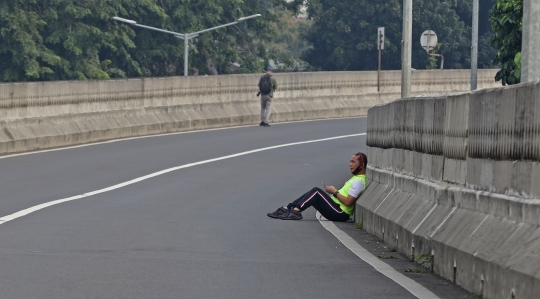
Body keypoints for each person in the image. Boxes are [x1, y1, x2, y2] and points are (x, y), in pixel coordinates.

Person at [267, 152, 367, 221]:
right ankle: (288, 208)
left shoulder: (359, 181)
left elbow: (348, 202)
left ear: (362, 165)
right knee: (313, 193)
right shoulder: (355, 178)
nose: (350, 165)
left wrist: (334, 192)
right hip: (336, 208)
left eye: (353, 162)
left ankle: (296, 211)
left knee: (316, 191)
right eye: (350, 161)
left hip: (340, 213)